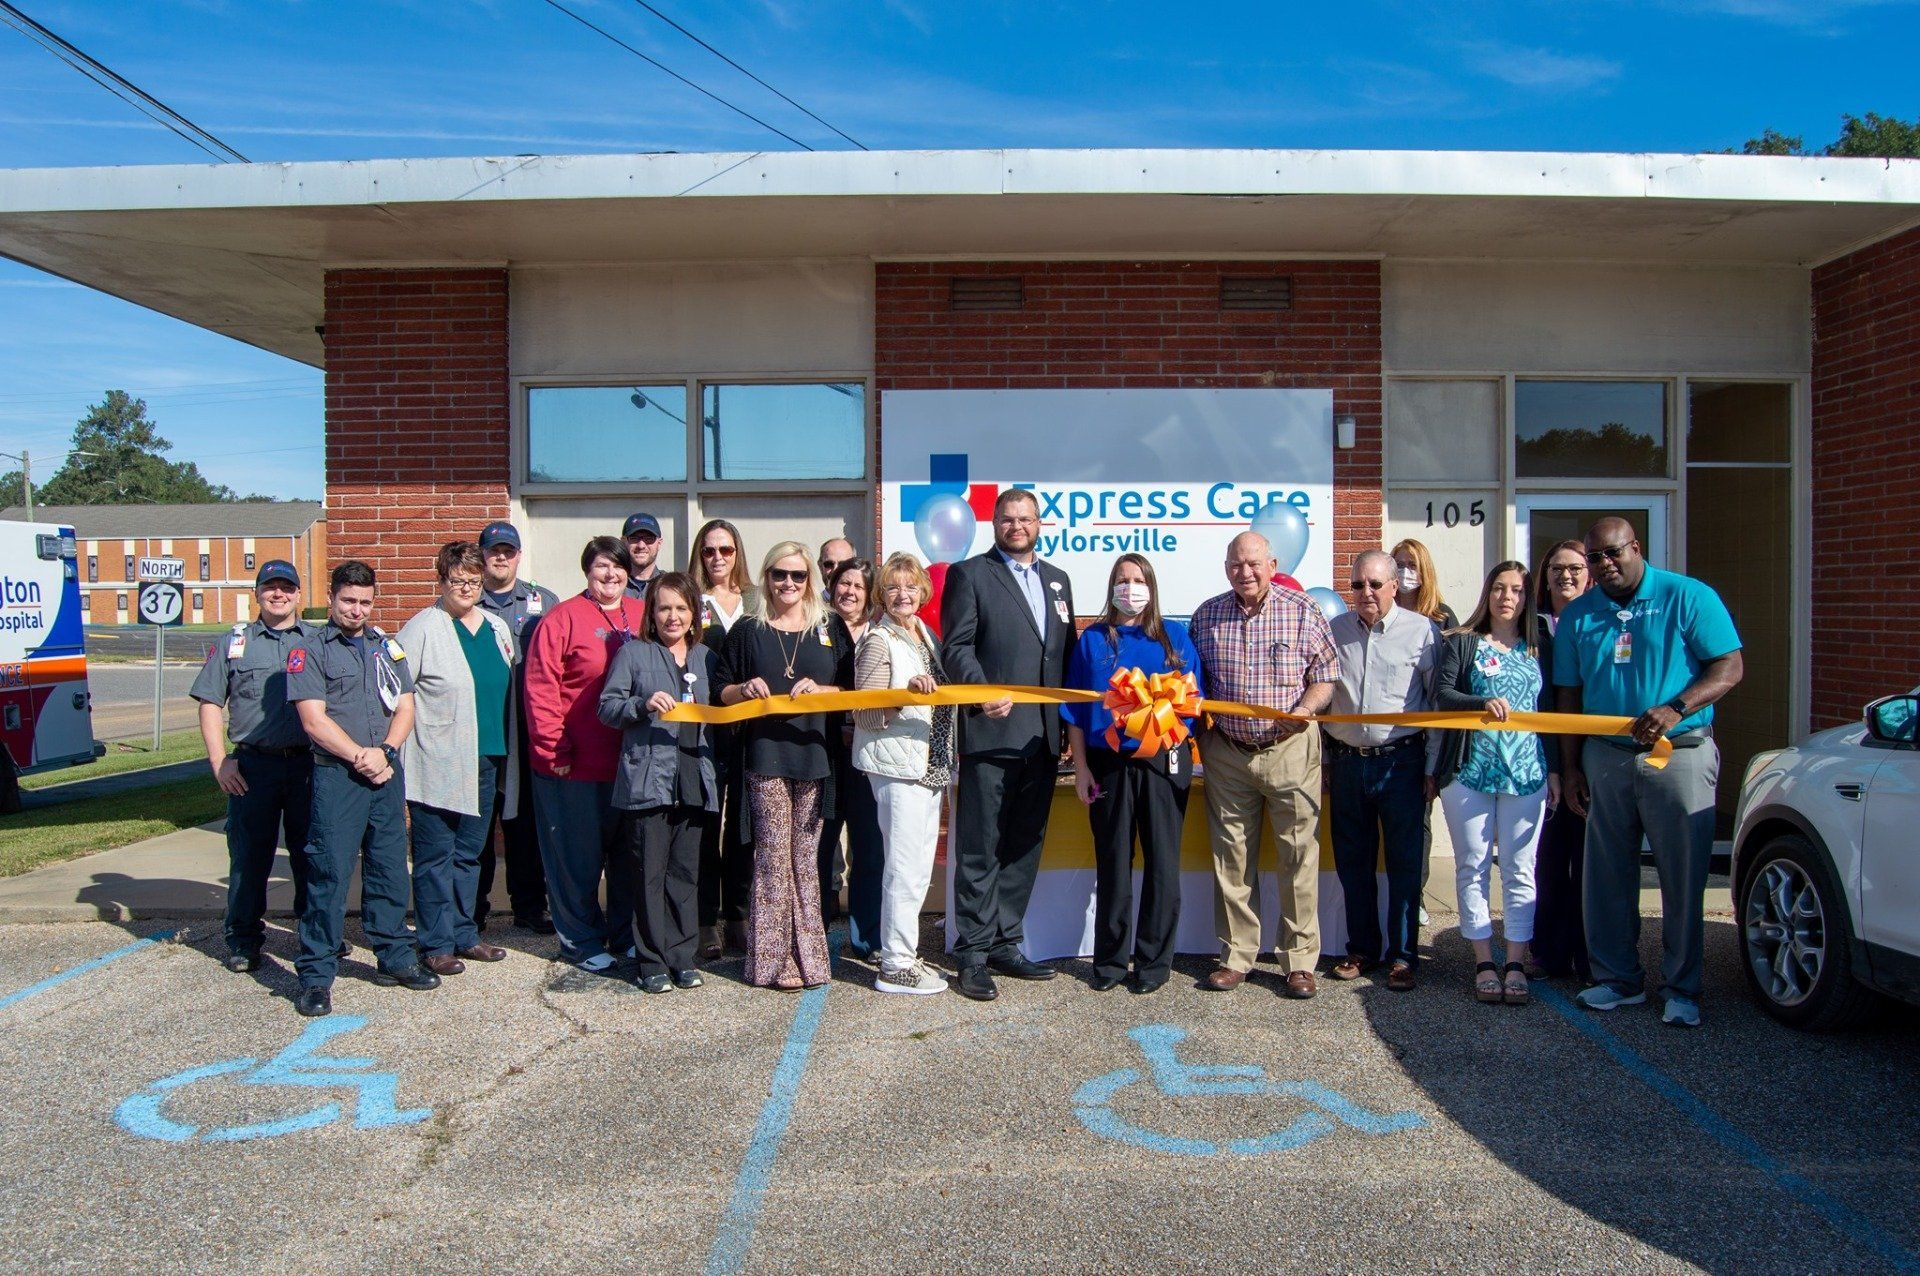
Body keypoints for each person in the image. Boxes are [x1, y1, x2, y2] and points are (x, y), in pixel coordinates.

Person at [1556, 517, 1743, 1027]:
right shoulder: (1579, 615)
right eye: (1595, 557)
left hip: (1678, 752)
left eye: (1614, 553)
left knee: (1681, 875)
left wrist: (1677, 707)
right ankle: (1618, 980)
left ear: (1636, 547)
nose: (1606, 564)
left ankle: (1682, 987)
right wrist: (1571, 767)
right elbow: (1568, 693)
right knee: (1606, 874)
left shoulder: (1688, 596)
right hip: (1605, 757)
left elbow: (1729, 667)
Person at [1189, 531, 1339, 998]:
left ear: (1272, 564)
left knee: (1298, 855)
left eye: (1254, 563)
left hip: (1290, 748)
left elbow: (1327, 673)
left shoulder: (1302, 611)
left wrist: (1307, 709)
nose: (1245, 572)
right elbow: (1191, 682)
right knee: (1231, 858)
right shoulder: (1206, 615)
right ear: (1225, 566)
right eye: (1236, 564)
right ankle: (1237, 956)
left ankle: (1299, 961)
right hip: (1228, 753)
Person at [940, 488, 1075, 1001]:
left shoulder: (1058, 580)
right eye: (1007, 518)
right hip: (991, 734)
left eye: (1025, 518)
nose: (1016, 526)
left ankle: (1005, 941)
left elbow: (1061, 657)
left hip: (1041, 739)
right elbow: (956, 646)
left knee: (1023, 846)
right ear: (993, 522)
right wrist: (980, 693)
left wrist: (1066, 727)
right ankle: (972, 953)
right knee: (979, 846)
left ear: (1040, 524)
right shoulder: (970, 574)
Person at [285, 561, 432, 1018]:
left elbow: (406, 707)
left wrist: (385, 751)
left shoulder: (387, 648)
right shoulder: (308, 650)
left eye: (365, 601)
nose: (357, 609)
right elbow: (313, 720)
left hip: (384, 773)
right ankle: (315, 975)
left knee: (390, 867)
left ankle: (394, 955)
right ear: (331, 598)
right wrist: (359, 756)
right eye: (348, 600)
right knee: (328, 874)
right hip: (338, 775)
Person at [1063, 554, 1203, 995]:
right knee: (1114, 863)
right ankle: (1109, 961)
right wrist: (1082, 768)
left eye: (1138, 579)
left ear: (1152, 586)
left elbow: (1193, 705)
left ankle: (1153, 962)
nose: (1130, 587)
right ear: (1111, 588)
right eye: (1122, 580)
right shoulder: (1092, 641)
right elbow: (1075, 710)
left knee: (1163, 863)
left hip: (1163, 764)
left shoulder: (1175, 638)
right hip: (1108, 766)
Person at [715, 542, 850, 990]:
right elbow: (720, 689)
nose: (788, 583)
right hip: (764, 757)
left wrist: (823, 691)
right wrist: (743, 689)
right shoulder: (747, 631)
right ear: (766, 577)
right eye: (778, 574)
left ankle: (809, 960)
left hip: (815, 759)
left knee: (806, 861)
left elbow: (852, 688)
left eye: (797, 575)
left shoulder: (829, 627)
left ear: (810, 579)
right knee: (773, 858)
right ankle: (771, 962)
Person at [1431, 561, 1557, 1006]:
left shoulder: (1540, 646)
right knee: (1473, 866)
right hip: (1470, 772)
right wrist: (1481, 700)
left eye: (1518, 590)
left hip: (1526, 773)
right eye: (1500, 588)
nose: (1508, 597)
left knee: (1522, 870)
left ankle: (1517, 963)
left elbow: (1555, 710)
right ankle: (1484, 961)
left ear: (1527, 598)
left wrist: (1556, 770)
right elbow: (1442, 695)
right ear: (1488, 594)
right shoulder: (1463, 643)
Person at [524, 537, 649, 972]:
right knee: (576, 859)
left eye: (617, 567)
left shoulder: (642, 614)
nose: (611, 575)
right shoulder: (561, 620)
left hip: (630, 765)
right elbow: (541, 688)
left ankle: (623, 934)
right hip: (574, 766)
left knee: (625, 860)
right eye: (602, 567)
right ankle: (579, 940)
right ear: (587, 571)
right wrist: (552, 746)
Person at [190, 559, 319, 973]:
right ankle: (244, 940)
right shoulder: (235, 642)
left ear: (299, 594)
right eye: (270, 587)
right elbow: (211, 702)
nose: (278, 594)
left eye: (286, 587)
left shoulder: (317, 641)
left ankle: (315, 938)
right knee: (250, 857)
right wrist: (218, 760)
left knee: (311, 856)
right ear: (257, 593)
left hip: (307, 766)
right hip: (252, 768)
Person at [398, 542, 518, 978]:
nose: (466, 587)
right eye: (456, 580)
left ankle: (465, 934)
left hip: (486, 758)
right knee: (435, 855)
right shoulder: (421, 629)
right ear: (441, 581)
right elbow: (395, 693)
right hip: (438, 760)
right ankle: (435, 943)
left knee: (470, 853)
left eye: (473, 579)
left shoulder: (495, 627)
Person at [597, 571, 719, 994]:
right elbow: (607, 708)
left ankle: (682, 958)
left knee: (684, 875)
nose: (672, 616)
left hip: (694, 778)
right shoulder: (634, 654)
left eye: (681, 608)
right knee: (648, 874)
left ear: (694, 614)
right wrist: (641, 704)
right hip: (648, 780)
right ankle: (650, 960)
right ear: (652, 611)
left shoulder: (706, 657)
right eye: (664, 607)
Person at [1325, 549, 1439, 992]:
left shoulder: (1422, 632)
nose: (1366, 592)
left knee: (1404, 863)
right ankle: (1362, 949)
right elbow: (1323, 695)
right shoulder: (1334, 632)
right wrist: (1326, 761)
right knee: (1353, 863)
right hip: (1349, 764)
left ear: (1395, 585)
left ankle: (1404, 955)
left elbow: (1434, 705)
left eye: (1375, 584)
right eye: (1357, 585)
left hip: (1403, 763)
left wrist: (1431, 767)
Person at [851, 553, 954, 995]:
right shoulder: (879, 640)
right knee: (903, 867)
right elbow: (866, 712)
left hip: (928, 765)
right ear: (881, 594)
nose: (902, 594)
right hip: (899, 766)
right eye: (893, 587)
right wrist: (903, 694)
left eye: (910, 586)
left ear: (923, 591)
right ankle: (894, 964)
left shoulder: (924, 635)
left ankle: (905, 952)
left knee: (916, 869)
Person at [475, 520, 558, 934]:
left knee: (525, 825)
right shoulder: (466, 601)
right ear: (482, 557)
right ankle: (474, 909)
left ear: (519, 554)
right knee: (478, 824)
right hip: (483, 728)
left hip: (527, 730)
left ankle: (529, 906)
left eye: (508, 550)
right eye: (494, 551)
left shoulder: (543, 600)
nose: (501, 557)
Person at [688, 517, 757, 957]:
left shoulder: (755, 599)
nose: (717, 558)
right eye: (709, 550)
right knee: (705, 823)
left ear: (738, 554)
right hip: (704, 726)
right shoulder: (690, 599)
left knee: (742, 829)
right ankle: (703, 920)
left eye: (725, 550)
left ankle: (738, 915)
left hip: (750, 727)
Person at [1529, 539, 1592, 981]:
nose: (1565, 576)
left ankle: (1591, 956)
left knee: (1591, 865)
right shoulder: (1533, 627)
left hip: (1595, 756)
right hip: (1545, 762)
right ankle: (1548, 954)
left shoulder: (1598, 621)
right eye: (1556, 568)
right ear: (1544, 576)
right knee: (1549, 862)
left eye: (1575, 568)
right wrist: (1553, 764)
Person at [818, 558, 884, 956]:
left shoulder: (883, 632)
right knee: (820, 846)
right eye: (844, 583)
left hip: (869, 754)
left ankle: (866, 934)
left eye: (859, 586)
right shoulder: (815, 629)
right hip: (824, 754)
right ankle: (815, 932)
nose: (850, 592)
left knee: (870, 846)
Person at [1391, 538, 1457, 628]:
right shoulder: (1384, 613)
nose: (1405, 572)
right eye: (1399, 565)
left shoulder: (1442, 615)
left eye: (1413, 565)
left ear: (1425, 571)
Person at [621, 512, 664, 601]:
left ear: (659, 543)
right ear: (623, 542)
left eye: (649, 539)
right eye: (634, 538)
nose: (641, 546)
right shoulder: (613, 585)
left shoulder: (670, 584)